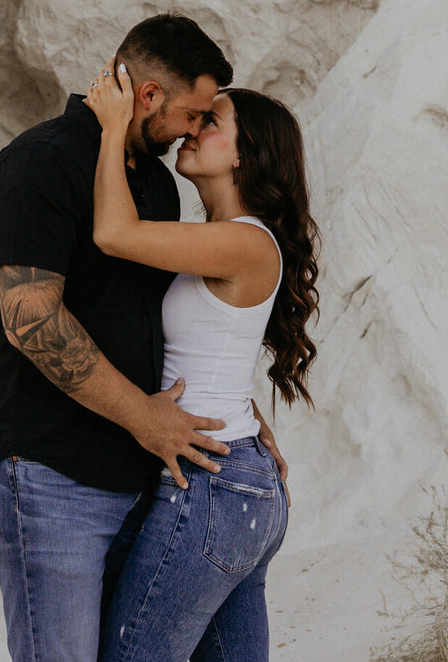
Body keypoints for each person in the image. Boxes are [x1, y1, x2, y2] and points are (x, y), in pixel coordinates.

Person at [0, 13, 288, 662]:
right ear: (149, 98)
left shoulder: (152, 184)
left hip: (140, 477)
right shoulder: (43, 161)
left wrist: (239, 410)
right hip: (49, 475)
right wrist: (144, 415)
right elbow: (30, 318)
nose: (196, 129)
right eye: (195, 114)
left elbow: (162, 322)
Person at [85, 59, 319, 662]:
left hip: (213, 486)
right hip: (236, 481)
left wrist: (113, 128)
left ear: (245, 155)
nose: (190, 131)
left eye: (210, 122)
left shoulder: (244, 240)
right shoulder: (226, 237)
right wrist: (247, 415)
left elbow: (113, 233)